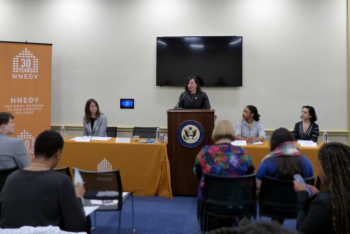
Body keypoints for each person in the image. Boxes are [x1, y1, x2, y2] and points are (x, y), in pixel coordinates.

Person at [0, 130, 89, 233]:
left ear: (35, 151)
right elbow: (76, 225)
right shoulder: (61, 181)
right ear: (58, 153)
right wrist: (77, 197)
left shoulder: (12, 178)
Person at [194, 120, 255, 231]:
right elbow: (250, 174)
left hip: (211, 201)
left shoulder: (205, 152)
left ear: (215, 132)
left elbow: (197, 172)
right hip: (239, 202)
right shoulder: (243, 153)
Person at [256, 127, 314, 224]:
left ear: (273, 144)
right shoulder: (305, 160)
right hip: (300, 205)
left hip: (272, 207)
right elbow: (311, 184)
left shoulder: (267, 162)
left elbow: (258, 185)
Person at [294, 142, 350, 234]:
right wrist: (319, 194)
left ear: (326, 169)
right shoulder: (338, 196)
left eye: (318, 165)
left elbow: (302, 230)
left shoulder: (323, 203)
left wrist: (301, 196)